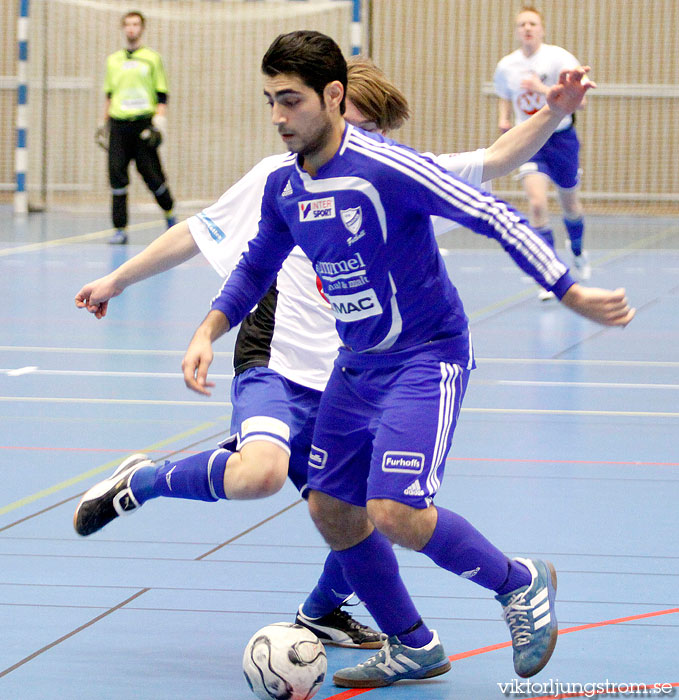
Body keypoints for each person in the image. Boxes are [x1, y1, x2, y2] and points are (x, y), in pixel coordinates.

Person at [74, 55, 596, 659]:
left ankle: (350, 622)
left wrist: (554, 114)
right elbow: (200, 231)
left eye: (378, 131)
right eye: (358, 121)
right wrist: (120, 280)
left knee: (358, 511)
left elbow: (498, 159)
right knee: (266, 476)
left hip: (354, 377)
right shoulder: (280, 178)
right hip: (278, 361)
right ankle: (142, 480)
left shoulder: (394, 178)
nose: (366, 141)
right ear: (330, 105)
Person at [180, 31, 634, 689]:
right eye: (270, 101)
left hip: (427, 357)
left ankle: (520, 582)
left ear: (332, 97)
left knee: (392, 511)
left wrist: (568, 289)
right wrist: (208, 329)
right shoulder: (285, 186)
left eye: (290, 100)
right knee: (332, 509)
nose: (278, 117)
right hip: (356, 365)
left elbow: (491, 215)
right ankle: (411, 645)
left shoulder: (388, 166)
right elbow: (256, 265)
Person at [494, 5, 591, 301]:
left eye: (532, 23)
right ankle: (549, 273)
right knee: (536, 205)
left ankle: (577, 251)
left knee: (569, 203)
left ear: (542, 29)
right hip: (531, 138)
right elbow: (505, 97)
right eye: (522, 24)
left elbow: (581, 100)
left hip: (561, 139)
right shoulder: (507, 66)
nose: (527, 28)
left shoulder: (559, 58)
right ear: (516, 30)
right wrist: (504, 119)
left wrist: (540, 87)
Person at [100, 10, 176, 245]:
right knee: (117, 177)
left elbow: (161, 95)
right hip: (119, 126)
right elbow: (110, 95)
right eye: (128, 24)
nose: (131, 28)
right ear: (123, 28)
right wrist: (104, 124)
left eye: (136, 24)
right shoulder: (113, 60)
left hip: (143, 124)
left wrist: (159, 123)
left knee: (153, 176)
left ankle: (170, 215)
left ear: (141, 28)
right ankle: (119, 228)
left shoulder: (152, 59)